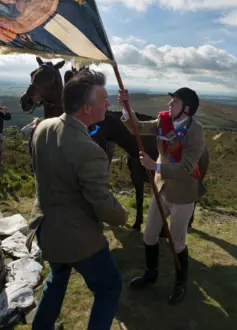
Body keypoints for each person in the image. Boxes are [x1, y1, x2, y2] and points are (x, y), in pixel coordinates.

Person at [26, 69, 129, 330]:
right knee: (109, 287)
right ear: (86, 108)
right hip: (78, 239)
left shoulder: (43, 128)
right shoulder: (90, 152)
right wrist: (123, 215)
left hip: (46, 229)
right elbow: (103, 204)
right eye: (104, 99)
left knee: (56, 278)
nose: (108, 104)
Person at [118, 87, 206, 305]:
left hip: (183, 194)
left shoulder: (196, 130)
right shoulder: (163, 120)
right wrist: (125, 107)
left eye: (174, 102)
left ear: (186, 109)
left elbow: (186, 166)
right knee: (149, 235)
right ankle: (151, 273)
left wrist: (154, 166)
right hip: (162, 189)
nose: (169, 105)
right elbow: (137, 128)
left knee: (177, 242)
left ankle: (180, 283)